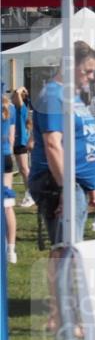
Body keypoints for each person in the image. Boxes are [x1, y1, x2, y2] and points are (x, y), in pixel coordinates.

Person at [28, 41, 95, 332]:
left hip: (77, 184)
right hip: (59, 183)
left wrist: (91, 183)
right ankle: (61, 316)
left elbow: (80, 142)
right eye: (87, 71)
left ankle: (65, 314)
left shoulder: (72, 97)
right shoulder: (52, 95)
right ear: (70, 66)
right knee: (65, 250)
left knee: (71, 249)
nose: (91, 76)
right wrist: (66, 190)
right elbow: (52, 145)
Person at [12, 87, 33, 207]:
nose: (13, 97)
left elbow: (17, 93)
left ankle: (31, 194)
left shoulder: (21, 108)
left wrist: (21, 89)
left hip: (21, 141)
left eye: (16, 96)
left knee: (25, 169)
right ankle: (29, 194)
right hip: (15, 141)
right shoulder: (13, 108)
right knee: (22, 170)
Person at [2, 92, 15, 263]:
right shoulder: (10, 107)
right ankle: (11, 249)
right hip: (6, 156)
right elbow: (12, 137)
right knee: (7, 204)